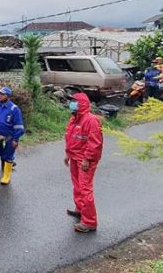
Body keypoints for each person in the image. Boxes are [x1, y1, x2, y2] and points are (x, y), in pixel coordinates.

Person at [64, 92, 103, 233]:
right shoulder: (73, 119)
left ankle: (90, 222)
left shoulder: (91, 120)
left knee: (85, 188)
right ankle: (80, 209)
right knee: (77, 185)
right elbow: (69, 137)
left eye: (75, 101)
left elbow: (94, 143)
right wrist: (68, 154)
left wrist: (87, 159)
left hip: (85, 160)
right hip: (74, 157)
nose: (72, 103)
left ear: (82, 104)